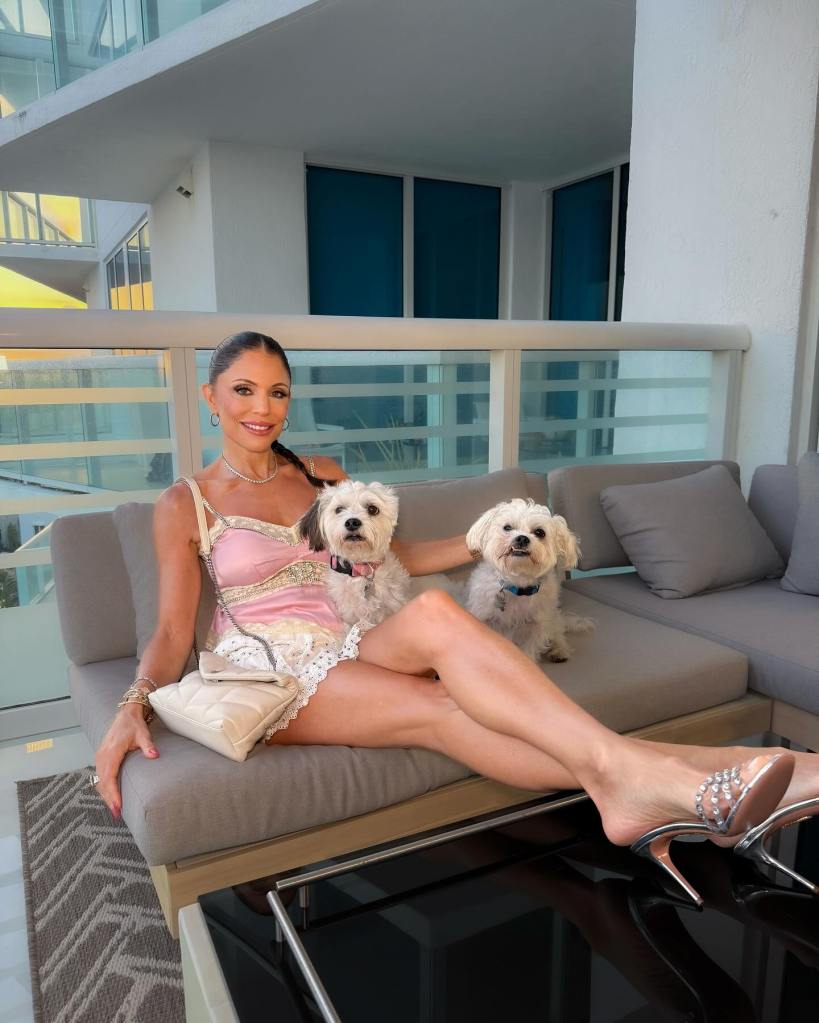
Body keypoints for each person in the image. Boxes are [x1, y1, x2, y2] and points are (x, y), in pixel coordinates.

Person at [92, 332, 816, 901]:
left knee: (436, 609)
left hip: (350, 635)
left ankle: (659, 789)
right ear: (209, 396)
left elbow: (394, 549)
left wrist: (478, 538)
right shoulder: (182, 502)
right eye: (243, 389)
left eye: (277, 391)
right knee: (442, 707)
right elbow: (168, 630)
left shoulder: (321, 474)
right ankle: (716, 779)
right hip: (273, 668)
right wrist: (131, 702)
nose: (262, 405)